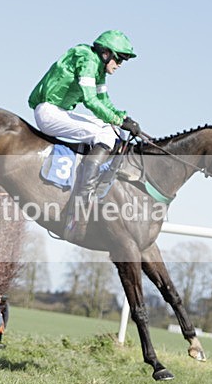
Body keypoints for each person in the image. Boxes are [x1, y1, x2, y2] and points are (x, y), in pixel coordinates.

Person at [28, 30, 142, 239]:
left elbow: (104, 102)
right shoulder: (88, 61)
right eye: (119, 59)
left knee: (111, 130)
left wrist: (124, 118)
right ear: (106, 53)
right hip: (49, 113)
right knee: (106, 136)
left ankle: (96, 181)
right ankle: (81, 204)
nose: (119, 65)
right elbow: (90, 101)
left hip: (60, 111)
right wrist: (119, 120)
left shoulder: (98, 70)